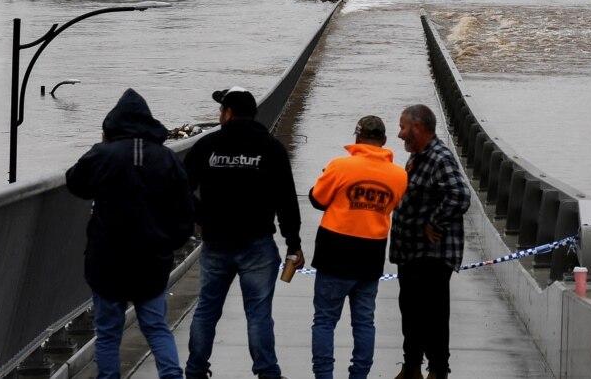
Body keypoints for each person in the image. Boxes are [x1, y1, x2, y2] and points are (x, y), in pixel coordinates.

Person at [66, 89, 195, 379]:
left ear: (112, 126)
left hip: (107, 261)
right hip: (151, 261)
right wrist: (169, 245)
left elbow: (75, 183)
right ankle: (172, 376)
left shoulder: (103, 155)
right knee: (156, 327)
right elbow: (186, 211)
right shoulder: (166, 158)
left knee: (108, 333)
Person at [183, 87, 303, 379]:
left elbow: (179, 188)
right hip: (257, 243)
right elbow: (286, 198)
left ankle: (196, 369)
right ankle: (266, 372)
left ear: (228, 113)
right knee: (259, 312)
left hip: (215, 242)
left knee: (207, 311)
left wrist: (201, 216)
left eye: (220, 110)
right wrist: (293, 243)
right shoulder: (271, 147)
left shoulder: (207, 145)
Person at [307, 115, 408, 379]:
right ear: (384, 141)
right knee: (364, 321)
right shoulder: (399, 175)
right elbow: (394, 205)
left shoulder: (340, 166)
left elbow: (317, 199)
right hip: (371, 255)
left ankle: (324, 375)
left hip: (334, 252)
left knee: (325, 320)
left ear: (357, 137)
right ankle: (359, 375)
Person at [390, 104, 471, 379]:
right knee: (411, 312)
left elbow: (459, 195)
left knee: (433, 315)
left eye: (403, 127)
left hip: (432, 254)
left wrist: (433, 223)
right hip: (412, 253)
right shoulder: (419, 157)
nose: (400, 134)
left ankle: (438, 370)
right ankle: (411, 366)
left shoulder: (439, 157)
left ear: (419, 127)